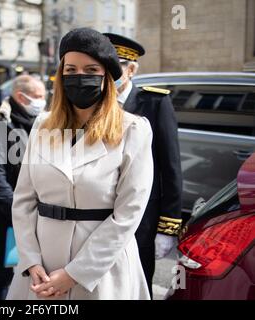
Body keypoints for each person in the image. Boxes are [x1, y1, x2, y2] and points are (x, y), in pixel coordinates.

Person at [6, 28, 153, 300]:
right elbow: (24, 200)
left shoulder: (133, 129)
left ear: (106, 77)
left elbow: (129, 213)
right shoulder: (42, 125)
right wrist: (30, 260)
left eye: (90, 69)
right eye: (70, 69)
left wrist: (76, 273)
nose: (79, 77)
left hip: (101, 268)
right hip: (42, 268)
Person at [105, 33, 183, 297]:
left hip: (142, 218)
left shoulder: (155, 102)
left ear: (131, 69)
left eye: (114, 68)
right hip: (100, 215)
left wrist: (167, 227)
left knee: (136, 285)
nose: (107, 74)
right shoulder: (91, 102)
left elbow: (170, 166)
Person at [0, 75, 46, 300]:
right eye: (38, 97)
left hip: (43, 216)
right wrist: (22, 212)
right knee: (8, 274)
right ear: (21, 96)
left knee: (38, 273)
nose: (43, 101)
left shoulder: (43, 122)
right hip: (10, 219)